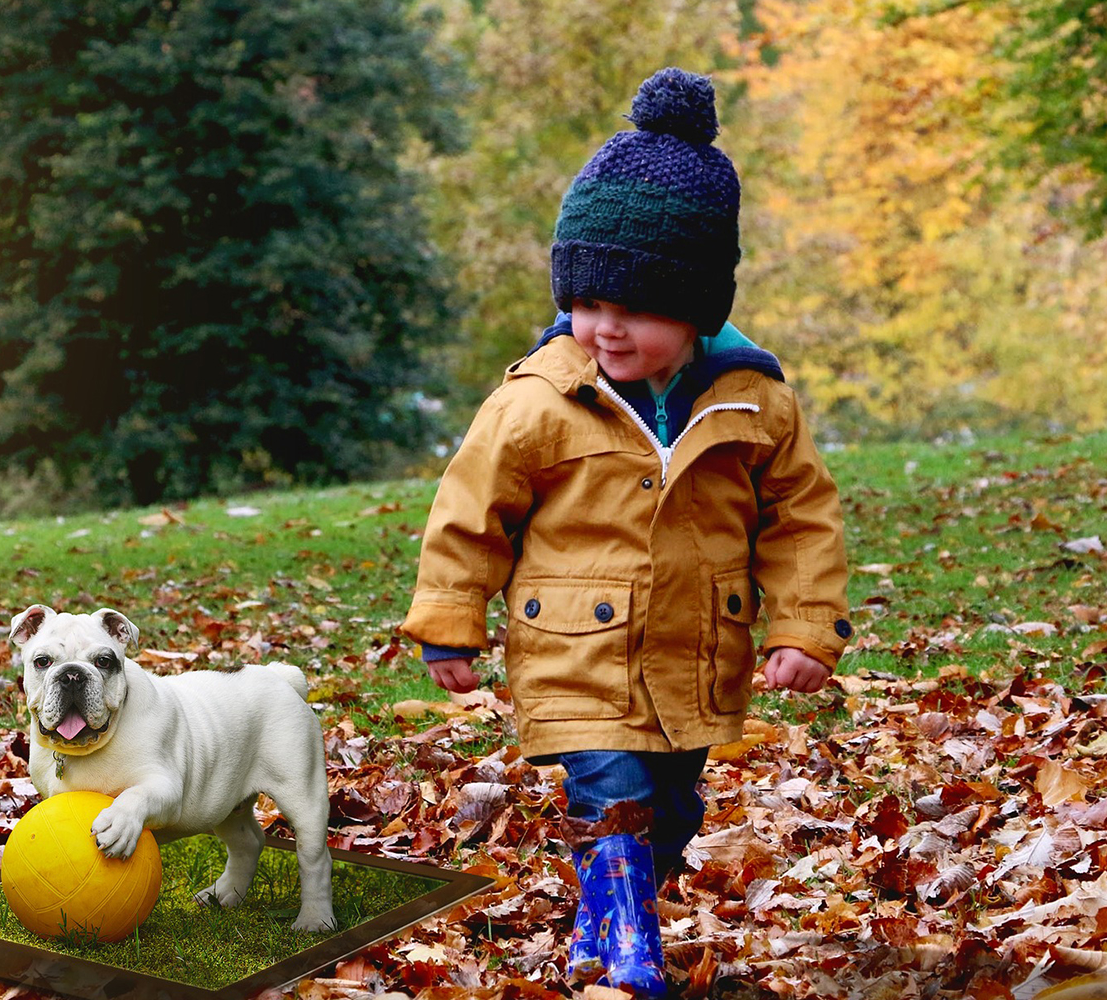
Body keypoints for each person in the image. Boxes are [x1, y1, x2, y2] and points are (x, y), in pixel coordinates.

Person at [398, 67, 851, 997]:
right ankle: (632, 949)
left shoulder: (754, 401)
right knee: (614, 793)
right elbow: (471, 505)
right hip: (575, 649)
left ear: (696, 308)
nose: (604, 327)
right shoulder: (540, 400)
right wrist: (449, 617)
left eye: (634, 309)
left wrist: (805, 628)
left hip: (694, 656)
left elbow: (801, 519)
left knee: (675, 809)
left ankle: (599, 924)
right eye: (588, 303)